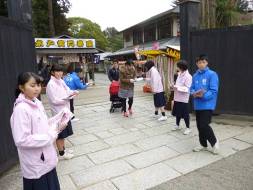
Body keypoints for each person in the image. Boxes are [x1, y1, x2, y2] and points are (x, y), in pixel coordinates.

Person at [10, 72, 60, 190]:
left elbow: (41, 125)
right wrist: (50, 137)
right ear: (21, 87)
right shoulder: (21, 109)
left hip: (46, 159)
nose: (37, 89)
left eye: (38, 85)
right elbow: (22, 140)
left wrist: (56, 121)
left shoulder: (36, 102)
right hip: (36, 162)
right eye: (32, 86)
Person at [46, 64, 78, 160]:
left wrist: (72, 92)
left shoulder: (61, 81)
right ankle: (61, 153)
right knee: (60, 134)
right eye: (57, 71)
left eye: (61, 71)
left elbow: (67, 90)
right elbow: (54, 100)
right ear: (52, 72)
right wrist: (66, 99)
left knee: (65, 132)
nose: (60, 73)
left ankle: (63, 149)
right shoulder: (51, 84)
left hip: (65, 111)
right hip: (58, 112)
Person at [190, 54, 219, 154]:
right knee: (199, 125)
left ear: (207, 63)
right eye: (199, 62)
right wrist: (193, 93)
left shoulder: (212, 74)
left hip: (208, 104)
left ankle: (214, 143)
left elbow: (214, 90)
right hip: (198, 104)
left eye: (203, 62)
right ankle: (203, 144)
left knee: (204, 125)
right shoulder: (195, 75)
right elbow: (192, 88)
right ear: (196, 64)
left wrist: (203, 95)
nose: (201, 64)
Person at [171, 60, 192, 135]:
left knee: (185, 114)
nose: (177, 68)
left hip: (183, 98)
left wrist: (177, 87)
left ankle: (188, 128)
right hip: (177, 97)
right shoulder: (179, 74)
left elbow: (187, 88)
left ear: (182, 67)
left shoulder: (188, 76)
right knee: (177, 113)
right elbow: (177, 84)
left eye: (178, 66)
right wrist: (173, 86)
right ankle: (177, 125)